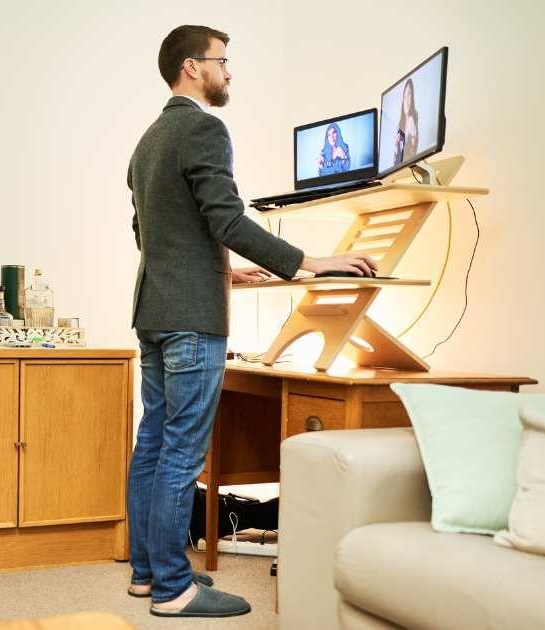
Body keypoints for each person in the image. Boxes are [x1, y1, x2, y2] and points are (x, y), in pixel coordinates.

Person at [125, 25, 378, 619]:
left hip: (154, 312)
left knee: (153, 447)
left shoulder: (148, 140)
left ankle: (147, 577)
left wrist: (225, 272)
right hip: (191, 320)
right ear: (192, 67)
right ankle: (172, 590)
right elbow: (227, 218)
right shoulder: (204, 128)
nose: (229, 71)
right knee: (180, 455)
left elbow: (152, 231)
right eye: (222, 61)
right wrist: (310, 263)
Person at [392, 78, 419, 165]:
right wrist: (396, 147)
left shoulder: (413, 120)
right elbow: (396, 158)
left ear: (412, 97)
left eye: (409, 95)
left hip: (410, 165)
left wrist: (413, 137)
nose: (406, 100)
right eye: (405, 96)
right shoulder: (400, 124)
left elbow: (414, 151)